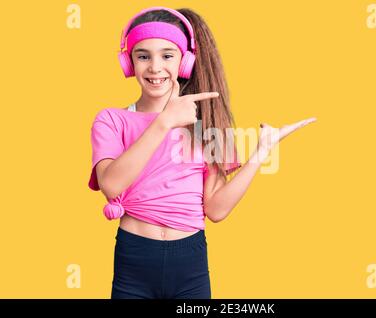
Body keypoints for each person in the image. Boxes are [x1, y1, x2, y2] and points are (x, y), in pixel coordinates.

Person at [88, 6, 317, 299]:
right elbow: (111, 184)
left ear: (185, 62)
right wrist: (164, 122)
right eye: (143, 55)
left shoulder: (208, 123)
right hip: (135, 256)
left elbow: (216, 210)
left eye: (167, 55)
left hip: (190, 261)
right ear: (129, 62)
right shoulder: (111, 119)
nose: (155, 67)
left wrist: (261, 152)